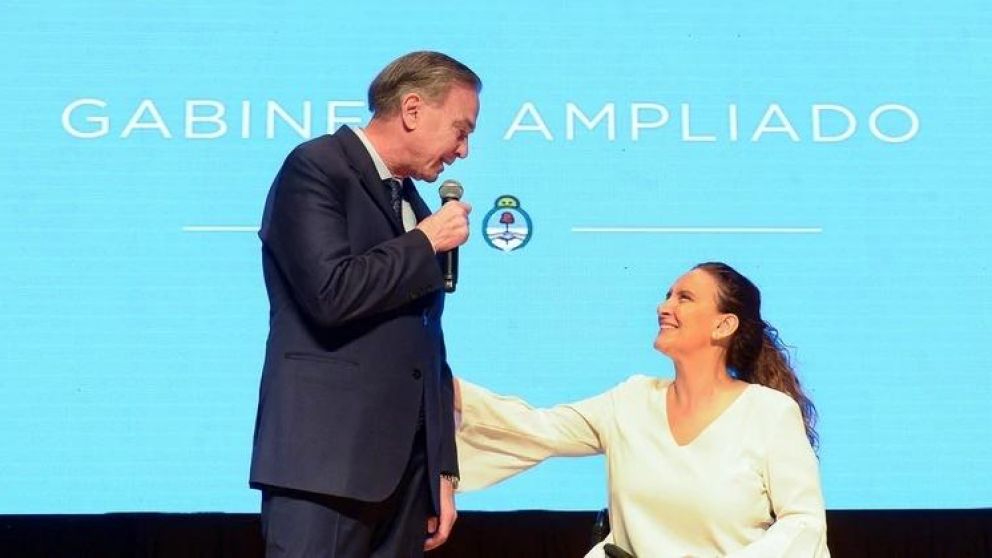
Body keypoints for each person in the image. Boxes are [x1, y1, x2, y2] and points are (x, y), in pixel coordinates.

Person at [249, 51, 481, 557]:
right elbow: (330, 293)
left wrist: (441, 469)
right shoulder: (316, 168)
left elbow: (427, 348)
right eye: (460, 130)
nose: (463, 151)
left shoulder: (413, 205)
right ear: (413, 109)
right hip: (324, 469)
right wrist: (423, 244)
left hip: (404, 479)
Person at [455, 262, 830, 557]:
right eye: (668, 295)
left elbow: (803, 524)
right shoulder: (631, 400)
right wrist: (438, 388)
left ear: (723, 325)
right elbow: (535, 429)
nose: (664, 307)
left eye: (684, 298)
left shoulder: (768, 412)